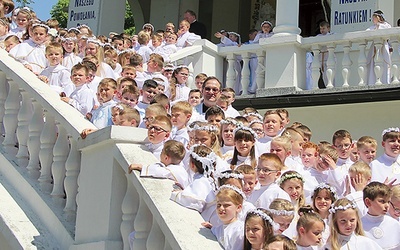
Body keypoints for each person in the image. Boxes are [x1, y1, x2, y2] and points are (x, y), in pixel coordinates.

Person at [170, 144, 216, 211]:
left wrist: (177, 194)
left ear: (192, 164)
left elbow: (196, 203)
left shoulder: (201, 181)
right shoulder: (208, 180)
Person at [202, 184, 245, 250]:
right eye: (219, 205)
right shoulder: (217, 229)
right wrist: (211, 228)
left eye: (226, 205)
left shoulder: (240, 230)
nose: (221, 208)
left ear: (238, 208)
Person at [361, 182, 400, 249]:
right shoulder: (359, 225)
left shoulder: (394, 224)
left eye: (388, 202)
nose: (387, 205)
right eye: (382, 201)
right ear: (368, 202)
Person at [366, 10, 392, 85]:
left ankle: (385, 81)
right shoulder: (373, 27)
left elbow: (388, 35)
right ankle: (372, 82)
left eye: (374, 17)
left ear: (378, 17)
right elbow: (367, 32)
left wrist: (378, 26)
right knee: (373, 65)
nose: (373, 19)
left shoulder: (386, 25)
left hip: (383, 46)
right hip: (374, 48)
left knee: (384, 65)